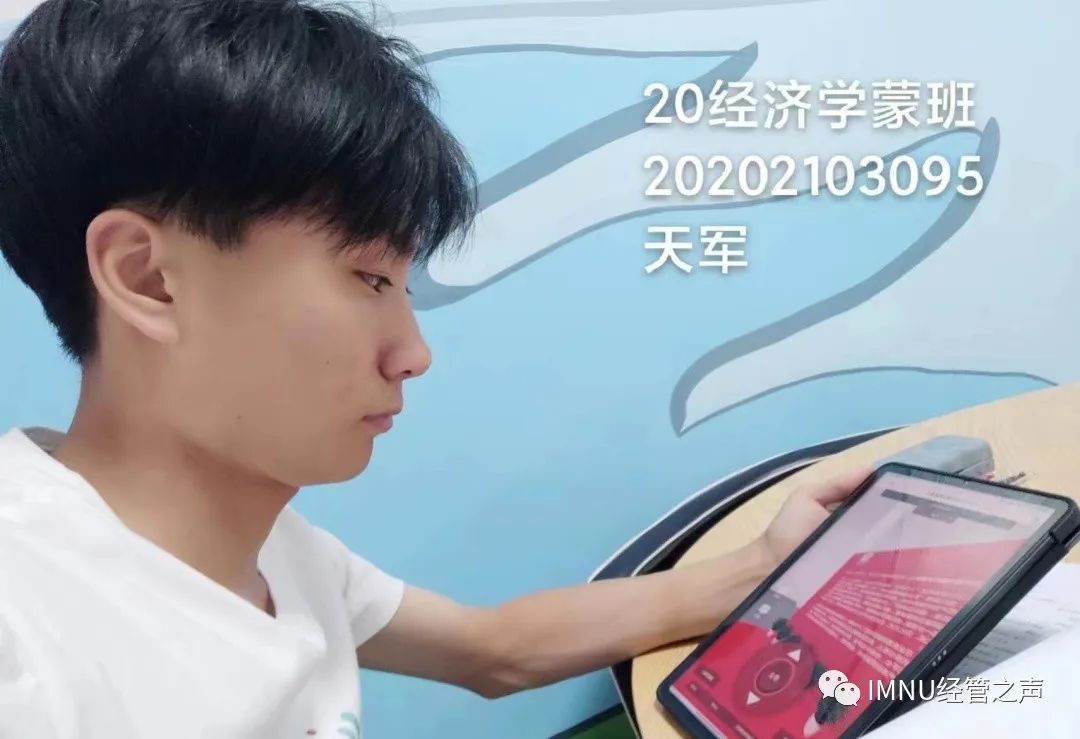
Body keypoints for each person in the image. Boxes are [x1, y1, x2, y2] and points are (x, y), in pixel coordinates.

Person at [0, 1, 870, 737]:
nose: (414, 353)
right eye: (369, 279)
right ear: (148, 278)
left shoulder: (275, 547)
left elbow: (496, 648)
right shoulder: (27, 637)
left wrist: (765, 561)